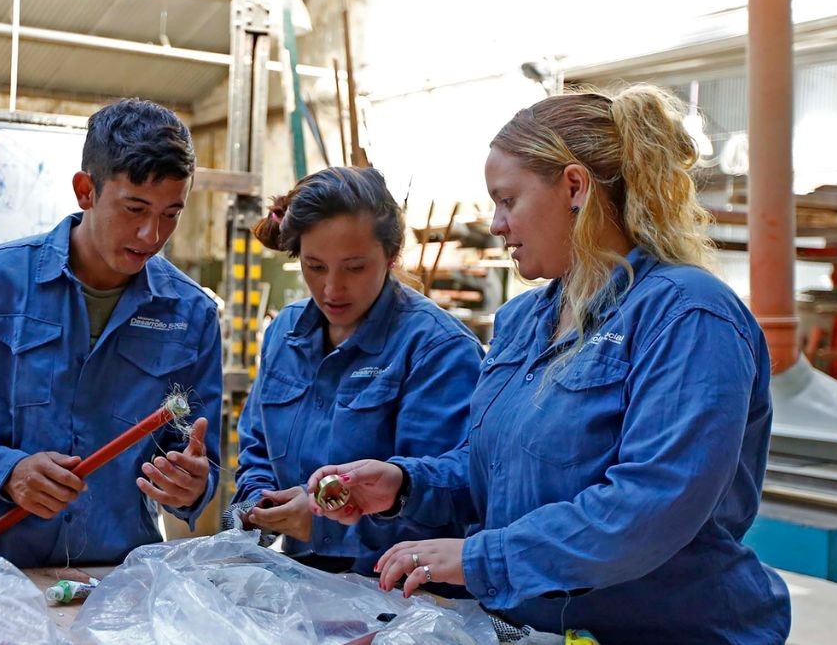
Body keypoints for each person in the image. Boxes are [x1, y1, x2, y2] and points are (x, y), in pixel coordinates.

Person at [308, 85, 791, 643]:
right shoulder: (523, 321)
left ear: (574, 187)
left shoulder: (687, 315)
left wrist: (482, 559)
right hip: (542, 630)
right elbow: (500, 473)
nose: (495, 224)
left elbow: (651, 504)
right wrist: (405, 484)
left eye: (507, 200)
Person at [0, 98, 222, 572]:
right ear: (85, 190)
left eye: (170, 214)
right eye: (134, 207)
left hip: (115, 579)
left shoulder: (192, 314)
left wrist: (192, 486)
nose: (151, 234)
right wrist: (6, 470)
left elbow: (198, 458)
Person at [227, 166, 481, 577]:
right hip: (299, 581)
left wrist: (324, 524)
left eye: (355, 267)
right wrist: (259, 502)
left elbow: (447, 499)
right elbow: (256, 450)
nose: (331, 288)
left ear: (391, 255)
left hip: (402, 597)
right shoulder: (284, 333)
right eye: (315, 266)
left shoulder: (437, 349)